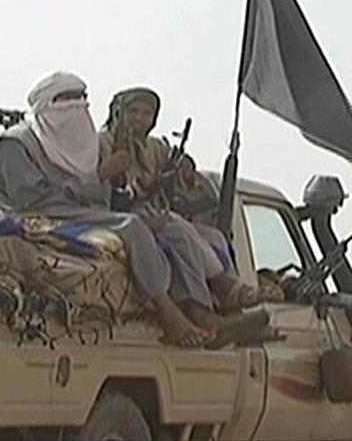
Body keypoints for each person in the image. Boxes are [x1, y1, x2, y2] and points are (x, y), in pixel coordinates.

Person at [0, 71, 213, 347]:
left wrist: (119, 186)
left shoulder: (75, 140)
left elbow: (97, 196)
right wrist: (99, 176)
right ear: (46, 104)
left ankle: (206, 307)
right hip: (31, 216)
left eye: (81, 98)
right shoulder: (16, 144)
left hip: (71, 210)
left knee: (167, 228)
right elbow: (32, 199)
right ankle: (168, 312)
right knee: (131, 226)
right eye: (66, 99)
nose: (76, 106)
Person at [99, 87, 247, 323]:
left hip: (154, 212)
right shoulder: (102, 142)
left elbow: (181, 173)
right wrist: (132, 185)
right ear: (118, 112)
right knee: (178, 230)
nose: (139, 119)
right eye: (133, 111)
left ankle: (231, 307)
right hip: (117, 215)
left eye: (146, 114)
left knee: (215, 238)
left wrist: (184, 170)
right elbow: (96, 186)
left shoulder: (154, 146)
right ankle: (203, 305)